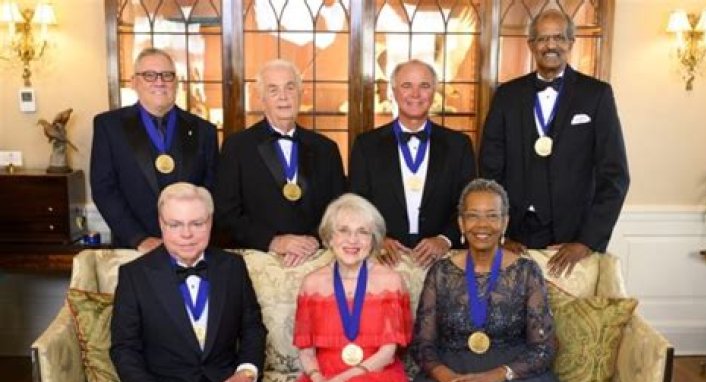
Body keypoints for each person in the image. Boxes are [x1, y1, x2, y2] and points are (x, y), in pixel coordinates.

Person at [408, 178, 580, 382]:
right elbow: (422, 344)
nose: (482, 224)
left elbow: (543, 348)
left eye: (492, 215)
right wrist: (449, 380)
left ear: (505, 222)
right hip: (449, 368)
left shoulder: (526, 271)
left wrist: (493, 377)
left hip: (514, 370)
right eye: (473, 215)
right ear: (461, 223)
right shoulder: (440, 272)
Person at [110, 182, 278, 382]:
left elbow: (252, 327)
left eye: (196, 224)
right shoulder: (134, 275)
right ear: (161, 224)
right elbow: (124, 348)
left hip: (221, 381)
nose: (186, 234)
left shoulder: (233, 266)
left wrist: (246, 373)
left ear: (210, 222)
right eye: (176, 224)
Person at [479, 9, 629, 277]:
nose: (551, 45)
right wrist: (500, 234)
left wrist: (587, 241)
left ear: (571, 43)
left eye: (559, 38)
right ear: (531, 44)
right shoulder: (506, 95)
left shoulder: (596, 95)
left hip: (573, 237)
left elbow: (615, 176)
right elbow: (489, 171)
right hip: (515, 234)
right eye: (542, 38)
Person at [291, 193, 413, 382]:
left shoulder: (390, 281)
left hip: (378, 374)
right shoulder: (312, 283)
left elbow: (387, 354)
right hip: (325, 374)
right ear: (329, 237)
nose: (352, 240)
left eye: (362, 232)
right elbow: (306, 351)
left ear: (374, 239)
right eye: (343, 230)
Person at [213, 59, 346, 267]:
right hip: (261, 260)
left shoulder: (326, 148)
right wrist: (274, 241)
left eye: (290, 88)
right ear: (261, 98)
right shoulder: (237, 147)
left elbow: (339, 208)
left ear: (301, 93)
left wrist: (314, 240)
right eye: (273, 90)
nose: (283, 97)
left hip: (316, 258)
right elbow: (225, 215)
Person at [349, 59, 477, 269]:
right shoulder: (366, 145)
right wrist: (377, 238)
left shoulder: (459, 145)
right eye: (407, 86)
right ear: (393, 92)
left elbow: (468, 203)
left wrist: (445, 239)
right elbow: (357, 202)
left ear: (434, 92)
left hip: (444, 259)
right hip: (385, 259)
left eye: (424, 86)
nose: (415, 94)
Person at [91, 47, 218, 250]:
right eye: (149, 75)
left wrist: (190, 237)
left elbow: (210, 191)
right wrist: (139, 239)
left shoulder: (204, 131)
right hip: (134, 249)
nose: (159, 82)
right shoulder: (109, 127)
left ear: (176, 82)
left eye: (167, 75)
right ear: (134, 82)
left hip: (190, 247)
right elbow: (104, 190)